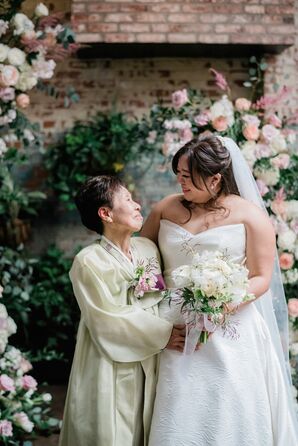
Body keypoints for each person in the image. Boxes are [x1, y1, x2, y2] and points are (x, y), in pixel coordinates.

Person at [141, 135, 298, 445]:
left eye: (188, 176)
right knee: (176, 405)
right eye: (179, 174)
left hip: (230, 327)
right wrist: (152, 309)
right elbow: (143, 261)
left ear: (215, 179)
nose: (180, 181)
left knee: (228, 406)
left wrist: (219, 303)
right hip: (174, 328)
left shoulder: (250, 215)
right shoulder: (164, 209)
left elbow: (261, 277)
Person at [59, 175, 186, 446]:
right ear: (105, 213)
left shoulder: (148, 249)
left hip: (151, 355)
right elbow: (106, 317)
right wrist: (164, 333)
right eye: (128, 200)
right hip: (108, 360)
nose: (138, 205)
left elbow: (161, 296)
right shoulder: (88, 262)